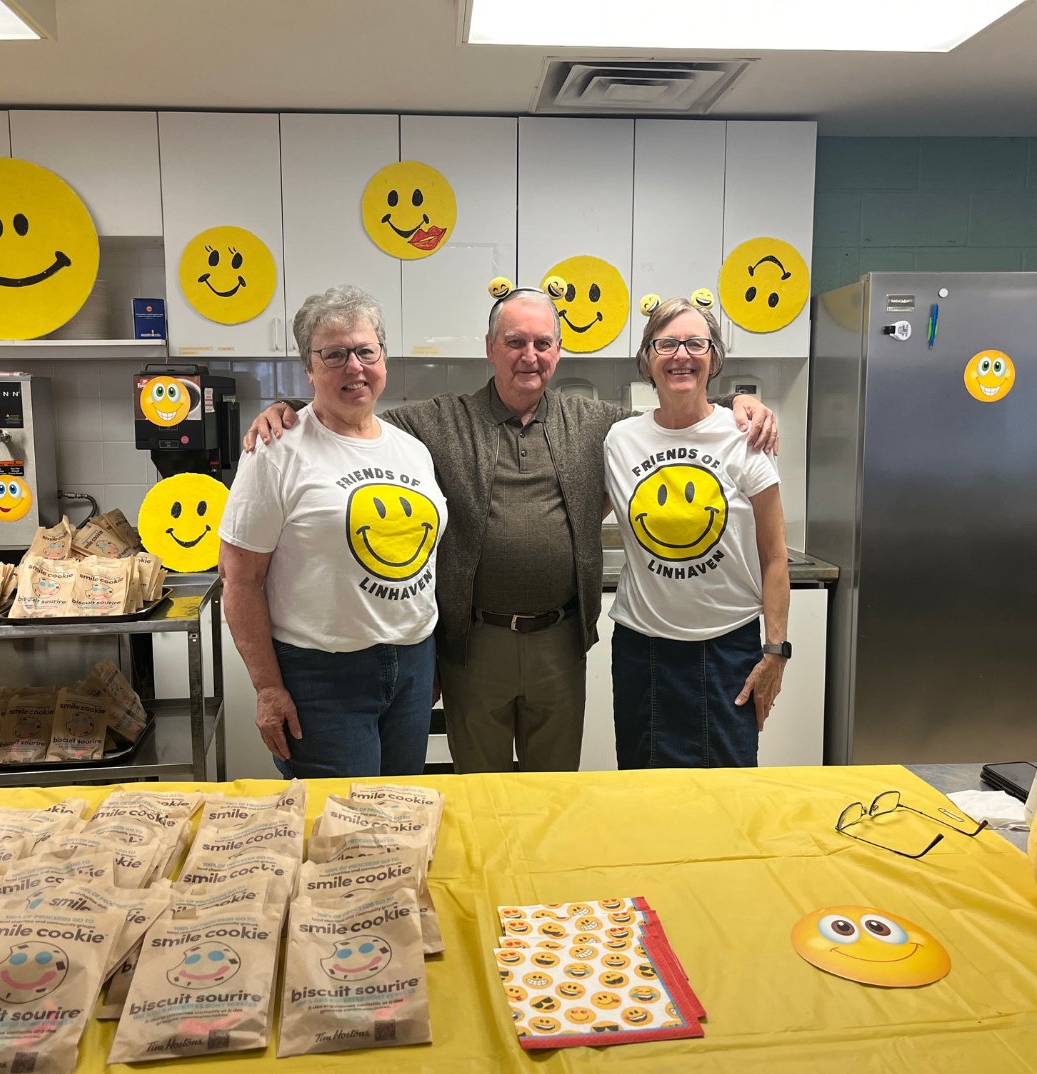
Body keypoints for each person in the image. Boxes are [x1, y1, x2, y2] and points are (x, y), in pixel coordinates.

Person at [246, 287, 777, 773]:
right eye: (515, 341)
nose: (530, 355)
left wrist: (738, 404)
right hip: (475, 646)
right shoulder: (437, 421)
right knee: (480, 790)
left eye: (543, 343)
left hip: (560, 642)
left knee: (554, 794)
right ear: (490, 348)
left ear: (559, 350)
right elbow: (354, 417)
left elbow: (676, 411)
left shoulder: (596, 423)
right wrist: (288, 408)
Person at [218, 285, 447, 778]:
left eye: (366, 351)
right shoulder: (276, 450)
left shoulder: (412, 450)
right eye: (335, 354)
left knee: (400, 815)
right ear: (310, 367)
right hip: (320, 677)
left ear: (383, 357)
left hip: (413, 664)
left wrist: (429, 661)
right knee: (340, 834)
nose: (354, 367)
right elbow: (239, 580)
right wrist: (268, 688)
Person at [603, 297, 789, 769]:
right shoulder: (620, 440)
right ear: (647, 358)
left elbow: (774, 555)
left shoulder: (746, 436)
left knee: (726, 793)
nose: (681, 354)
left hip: (727, 649)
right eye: (666, 343)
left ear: (715, 357)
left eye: (695, 343)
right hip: (642, 649)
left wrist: (776, 651)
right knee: (643, 790)